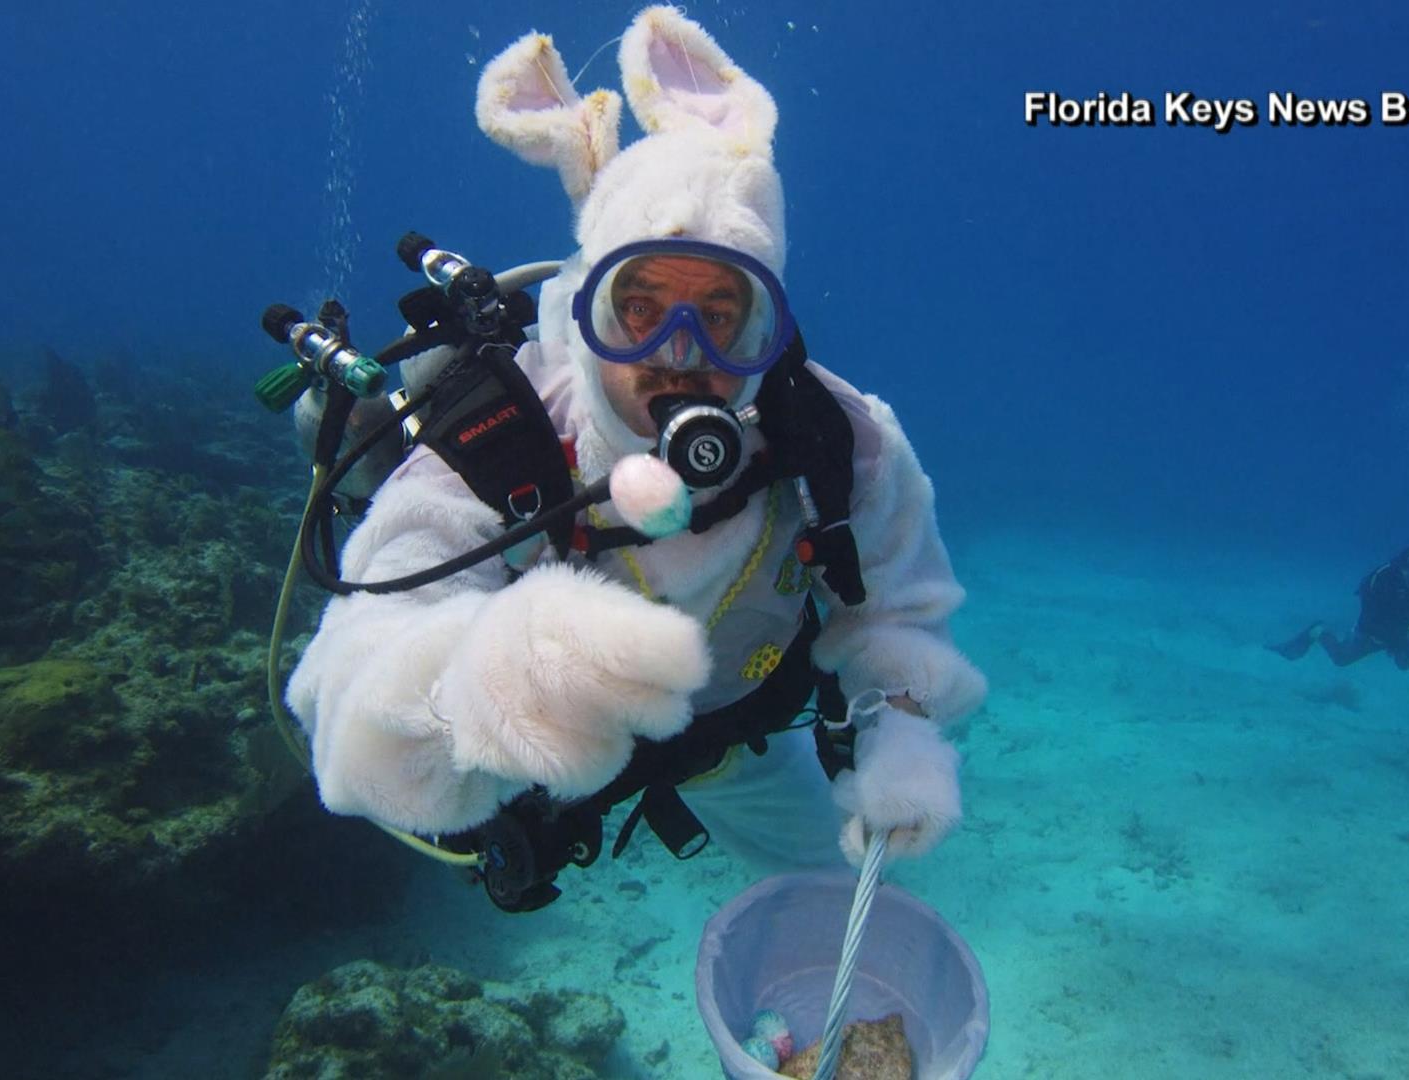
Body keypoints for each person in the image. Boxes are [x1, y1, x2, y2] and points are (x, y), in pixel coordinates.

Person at [284, 8, 985, 909]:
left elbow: (897, 607)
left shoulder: (838, 437)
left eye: (720, 315)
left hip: (734, 746)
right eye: (640, 309)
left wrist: (903, 728)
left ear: (767, 328)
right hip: (551, 766)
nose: (679, 356)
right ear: (587, 311)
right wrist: (498, 679)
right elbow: (347, 697)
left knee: (845, 899)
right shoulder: (497, 438)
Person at [1269, 547, 1409, 670]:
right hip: (1375, 634)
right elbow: (1370, 623)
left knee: (1404, 665)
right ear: (1401, 570)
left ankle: (1405, 646)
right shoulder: (1381, 583)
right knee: (1341, 659)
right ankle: (1319, 630)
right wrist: (1405, 636)